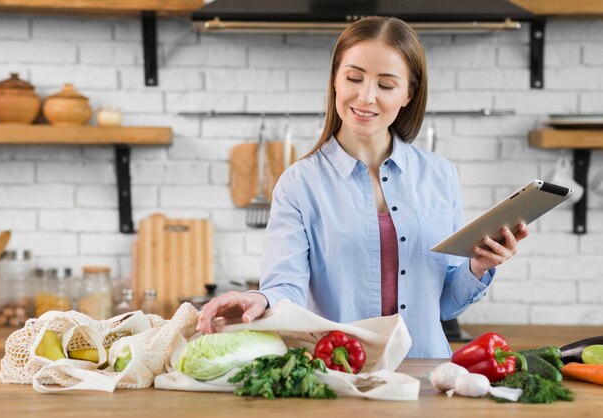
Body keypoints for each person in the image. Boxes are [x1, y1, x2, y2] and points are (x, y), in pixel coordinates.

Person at [197, 16, 528, 358]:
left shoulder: (439, 175)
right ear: (336, 81)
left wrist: (479, 266)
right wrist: (260, 299)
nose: (366, 96)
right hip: (339, 376)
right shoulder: (299, 183)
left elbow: (444, 306)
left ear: (407, 94)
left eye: (385, 85)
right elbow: (286, 288)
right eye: (354, 78)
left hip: (427, 375)